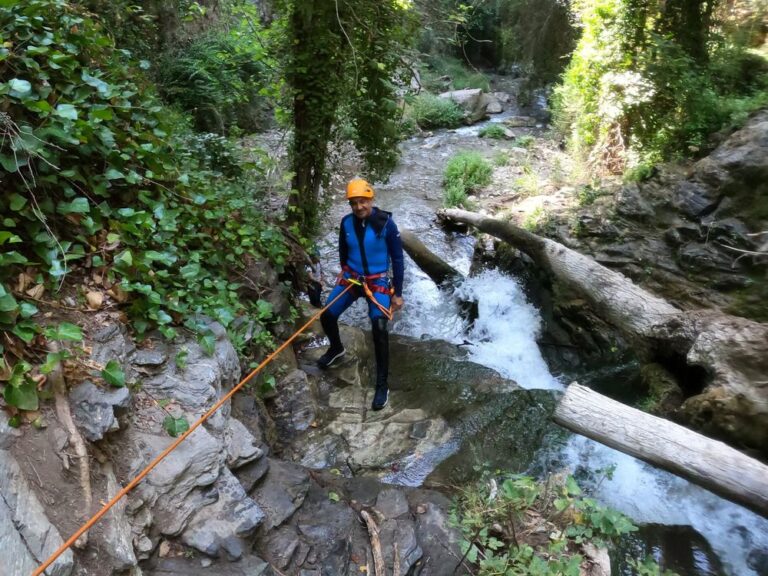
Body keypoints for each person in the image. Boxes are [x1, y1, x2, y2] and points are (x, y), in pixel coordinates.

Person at [317, 178, 405, 410]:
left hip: (377, 282)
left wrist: (398, 293)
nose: (359, 207)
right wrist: (346, 274)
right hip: (353, 279)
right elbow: (343, 252)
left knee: (379, 326)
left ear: (371, 199)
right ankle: (337, 348)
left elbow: (397, 259)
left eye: (363, 202)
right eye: (354, 203)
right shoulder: (346, 223)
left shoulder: (386, 224)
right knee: (327, 314)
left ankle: (382, 384)